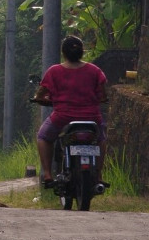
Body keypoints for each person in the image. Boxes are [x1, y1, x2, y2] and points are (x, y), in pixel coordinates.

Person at [33, 35, 109, 188]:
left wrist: (39, 98)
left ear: (64, 53)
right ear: (82, 52)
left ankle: (47, 174)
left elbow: (41, 94)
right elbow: (103, 94)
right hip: (92, 118)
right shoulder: (94, 70)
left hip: (62, 117)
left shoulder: (54, 71)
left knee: (43, 137)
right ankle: (99, 175)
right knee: (100, 140)